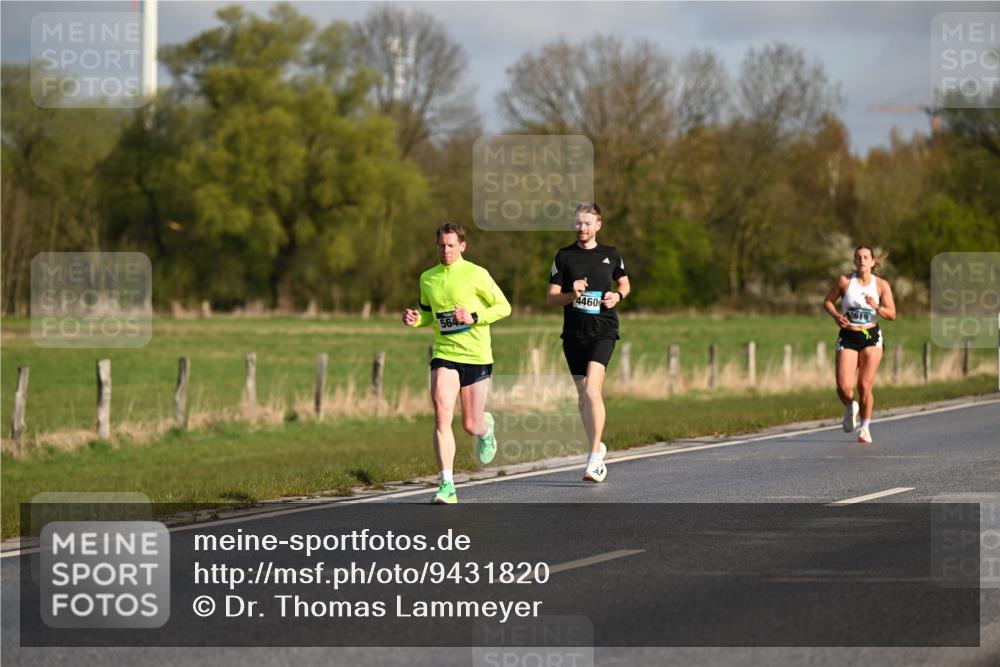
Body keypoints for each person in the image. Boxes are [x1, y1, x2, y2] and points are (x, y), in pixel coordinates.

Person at [403, 222, 511, 504]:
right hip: (445, 353)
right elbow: (429, 314)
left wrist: (474, 316)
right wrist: (417, 320)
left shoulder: (477, 274)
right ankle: (447, 484)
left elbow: (503, 307)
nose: (446, 250)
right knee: (441, 414)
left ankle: (485, 429)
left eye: (452, 245)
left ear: (463, 246)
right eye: (442, 245)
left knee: (471, 426)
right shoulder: (428, 278)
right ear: (436, 245)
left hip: (476, 357)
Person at [546, 203, 630, 482]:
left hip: (603, 330)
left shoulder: (611, 254)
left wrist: (616, 297)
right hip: (573, 334)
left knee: (593, 389)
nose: (582, 228)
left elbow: (625, 285)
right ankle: (597, 442)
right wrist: (572, 294)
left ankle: (594, 459)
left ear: (598, 225)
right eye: (578, 223)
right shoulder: (563, 256)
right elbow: (551, 298)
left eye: (587, 223)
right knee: (583, 394)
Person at [822, 246, 896, 443]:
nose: (862, 260)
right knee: (843, 387)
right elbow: (827, 302)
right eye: (858, 257)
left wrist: (877, 306)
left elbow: (892, 314)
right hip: (848, 335)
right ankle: (849, 407)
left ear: (872, 262)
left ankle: (864, 427)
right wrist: (837, 316)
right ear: (854, 262)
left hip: (871, 336)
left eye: (866, 257)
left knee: (864, 385)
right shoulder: (845, 281)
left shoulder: (881, 285)